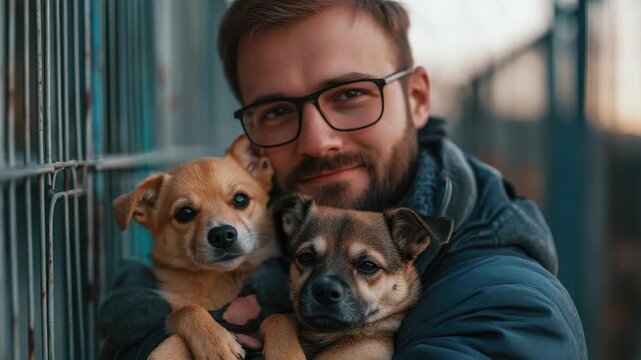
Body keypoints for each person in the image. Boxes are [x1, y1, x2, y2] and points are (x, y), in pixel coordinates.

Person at [100, 0, 588, 358]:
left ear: (417, 97)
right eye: (276, 110)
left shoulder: (507, 308)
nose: (317, 140)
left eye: (350, 94)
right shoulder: (271, 234)